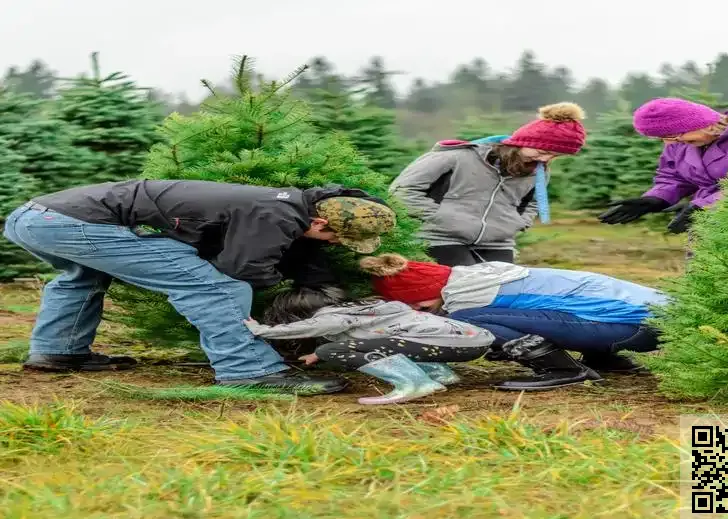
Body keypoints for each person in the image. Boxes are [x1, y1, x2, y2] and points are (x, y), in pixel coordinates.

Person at [2, 179, 396, 395]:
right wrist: (282, 292)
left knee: (82, 278)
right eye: (336, 240)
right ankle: (248, 370)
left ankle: (58, 352)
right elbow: (241, 269)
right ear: (323, 224)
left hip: (36, 217)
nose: (334, 246)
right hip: (70, 223)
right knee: (217, 288)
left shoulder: (282, 204)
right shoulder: (277, 212)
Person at [359, 254, 666, 391]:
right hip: (651, 322)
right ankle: (605, 358)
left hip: (636, 329)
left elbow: (467, 333)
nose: (418, 310)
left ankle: (563, 369)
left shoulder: (470, 299)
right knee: (562, 309)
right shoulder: (481, 277)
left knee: (465, 320)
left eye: (417, 304)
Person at [390, 103, 586, 267]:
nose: (546, 158)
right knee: (463, 289)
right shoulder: (455, 157)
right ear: (523, 141)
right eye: (543, 150)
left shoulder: (538, 170)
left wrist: (515, 224)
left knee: (500, 293)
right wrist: (440, 218)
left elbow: (532, 203)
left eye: (555, 155)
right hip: (440, 237)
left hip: (498, 242)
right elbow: (402, 191)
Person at [244, 287, 494, 404]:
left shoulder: (331, 316)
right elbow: (368, 339)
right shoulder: (366, 308)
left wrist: (263, 330)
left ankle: (416, 383)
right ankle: (440, 373)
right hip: (474, 340)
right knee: (384, 344)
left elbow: (314, 328)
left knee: (331, 350)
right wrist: (315, 356)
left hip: (448, 345)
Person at [598, 98, 728, 234]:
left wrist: (707, 206)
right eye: (663, 139)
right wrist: (656, 198)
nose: (669, 143)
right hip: (711, 228)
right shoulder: (681, 143)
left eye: (674, 135)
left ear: (702, 123)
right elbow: (673, 176)